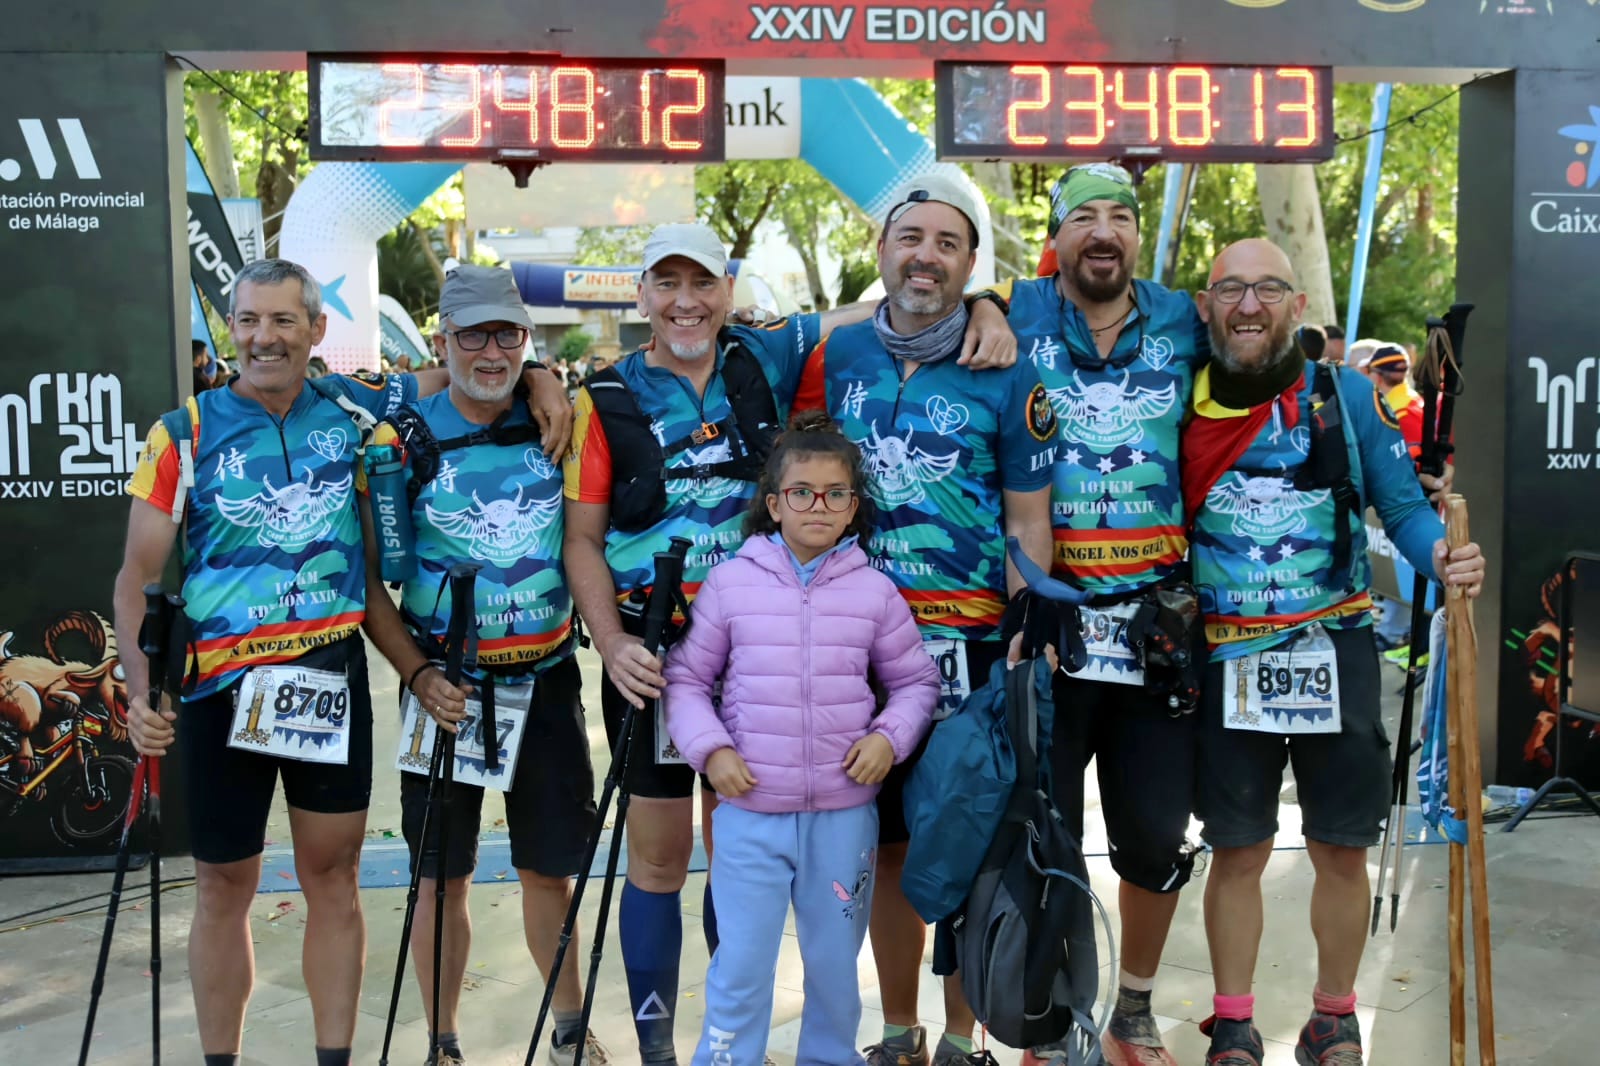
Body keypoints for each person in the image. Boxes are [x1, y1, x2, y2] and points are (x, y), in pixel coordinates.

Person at [563, 221, 1013, 1065]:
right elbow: (580, 538)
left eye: (703, 284)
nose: (686, 302)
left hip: (780, 646)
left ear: (729, 291)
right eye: (666, 284)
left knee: (747, 850)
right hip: (661, 660)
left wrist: (987, 302)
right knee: (661, 858)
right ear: (642, 295)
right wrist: (613, 639)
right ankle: (669, 1045)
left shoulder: (768, 356)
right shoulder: (604, 395)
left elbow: (899, 299)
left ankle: (783, 1036)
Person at [113, 257, 570, 1066]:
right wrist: (143, 691)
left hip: (326, 675)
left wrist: (542, 378)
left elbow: (472, 364)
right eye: (249, 320)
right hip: (219, 688)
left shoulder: (352, 411)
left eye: (285, 321)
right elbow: (136, 576)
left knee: (335, 878)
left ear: (317, 332)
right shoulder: (181, 432)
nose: (264, 337)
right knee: (223, 887)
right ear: (230, 327)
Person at [1181, 238, 1485, 1066]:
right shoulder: (1182, 395)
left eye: (1268, 288)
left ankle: (1334, 1019)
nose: (1249, 305)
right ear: (1205, 304)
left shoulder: (1346, 397)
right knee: (1236, 846)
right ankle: (1235, 1023)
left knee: (1339, 845)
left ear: (1297, 306)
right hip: (1224, 652)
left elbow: (1404, 510)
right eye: (1231, 289)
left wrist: (1440, 555)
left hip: (1335, 645)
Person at [794, 173, 1055, 1066]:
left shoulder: (1007, 367)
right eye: (912, 238)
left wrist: (1029, 633)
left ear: (972, 264)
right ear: (881, 252)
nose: (927, 256)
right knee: (888, 846)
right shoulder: (837, 356)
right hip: (852, 648)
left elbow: (1029, 518)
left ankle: (959, 1035)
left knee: (968, 839)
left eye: (949, 244)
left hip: (971, 646)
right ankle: (899, 1031)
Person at [357, 265, 605, 1066]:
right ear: (442, 340)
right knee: (440, 878)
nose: (492, 352)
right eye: (474, 334)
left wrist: (545, 379)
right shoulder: (397, 430)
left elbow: (585, 536)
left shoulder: (559, 419)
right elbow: (362, 578)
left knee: (548, 871)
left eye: (510, 335)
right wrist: (418, 675)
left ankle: (569, 1032)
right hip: (445, 687)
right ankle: (442, 1044)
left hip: (546, 674)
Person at [995, 164, 1210, 1066]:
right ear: (1059, 234)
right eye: (1083, 214)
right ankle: (1046, 1008)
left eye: (1120, 215)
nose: (1104, 230)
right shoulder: (1010, 312)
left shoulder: (1182, 319)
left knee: (1157, 832)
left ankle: (1132, 1008)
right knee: (1044, 825)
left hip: (1156, 628)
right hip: (1053, 625)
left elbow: (1261, 349)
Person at [662, 413, 939, 1066]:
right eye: (802, 491)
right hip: (750, 817)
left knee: (836, 973)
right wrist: (712, 750)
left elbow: (916, 685)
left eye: (836, 492)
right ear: (773, 503)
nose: (819, 504)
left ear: (853, 507)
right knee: (742, 967)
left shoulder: (874, 592)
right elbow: (685, 681)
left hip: (843, 819)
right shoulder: (731, 585)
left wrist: (888, 739)